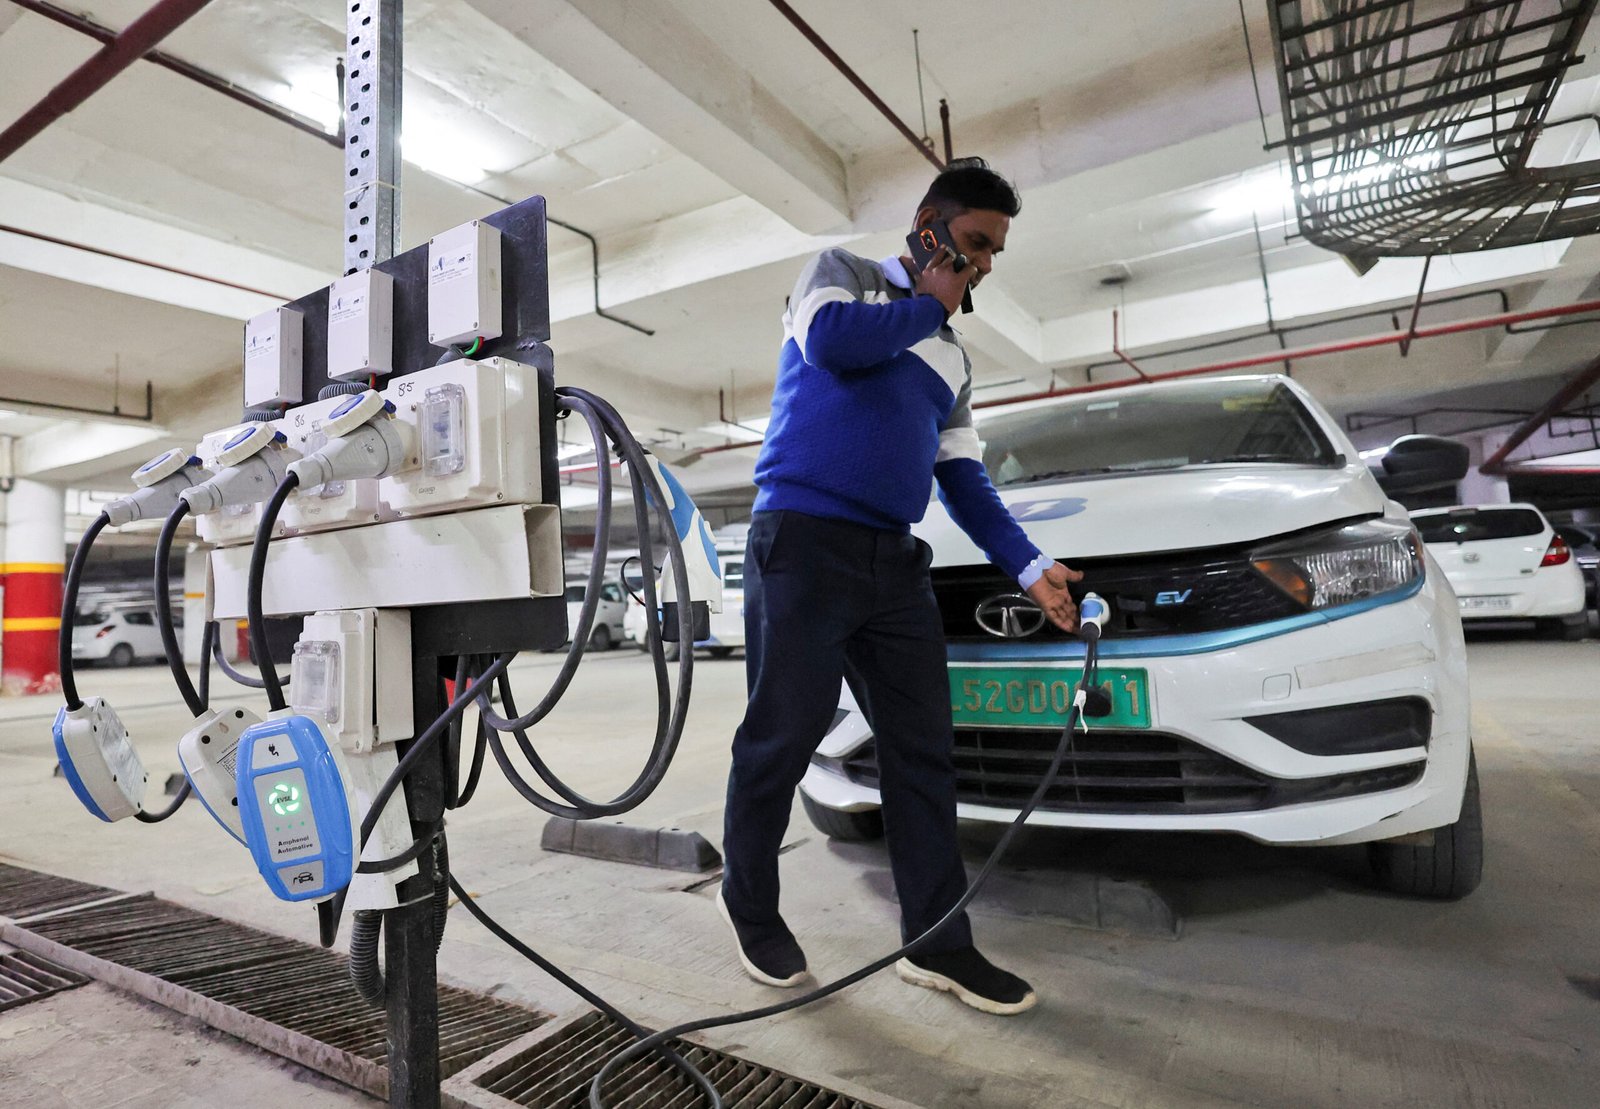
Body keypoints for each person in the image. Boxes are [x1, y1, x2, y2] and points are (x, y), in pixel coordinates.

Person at [718, 157, 1081, 1016]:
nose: (985, 263)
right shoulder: (841, 276)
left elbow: (963, 480)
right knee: (781, 737)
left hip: (892, 563)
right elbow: (832, 347)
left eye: (994, 253)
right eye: (974, 242)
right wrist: (928, 300)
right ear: (929, 225)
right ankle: (751, 908)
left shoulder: (952, 362)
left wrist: (1030, 566)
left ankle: (938, 943)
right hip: (800, 544)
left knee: (922, 750)